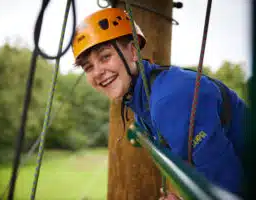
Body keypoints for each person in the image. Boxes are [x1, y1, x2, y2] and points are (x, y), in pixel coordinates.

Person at [71, 7, 246, 198]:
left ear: (133, 51)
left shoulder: (168, 99)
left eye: (105, 57)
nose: (97, 72)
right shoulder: (143, 99)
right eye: (88, 67)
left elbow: (226, 187)